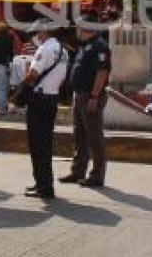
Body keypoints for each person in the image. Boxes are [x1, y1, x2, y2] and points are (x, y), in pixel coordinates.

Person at [60, 15, 111, 188]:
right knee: (80, 135)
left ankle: (97, 175)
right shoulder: (85, 46)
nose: (76, 30)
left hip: (90, 96)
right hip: (80, 95)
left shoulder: (100, 46)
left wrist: (94, 97)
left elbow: (102, 73)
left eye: (79, 27)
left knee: (94, 137)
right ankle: (78, 171)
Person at [24, 20, 69, 200]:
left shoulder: (45, 49)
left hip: (39, 99)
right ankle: (44, 184)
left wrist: (23, 83)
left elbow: (33, 74)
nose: (37, 36)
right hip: (51, 99)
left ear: (45, 32)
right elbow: (63, 78)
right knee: (46, 144)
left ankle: (43, 187)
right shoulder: (63, 51)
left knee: (37, 144)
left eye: (38, 33)